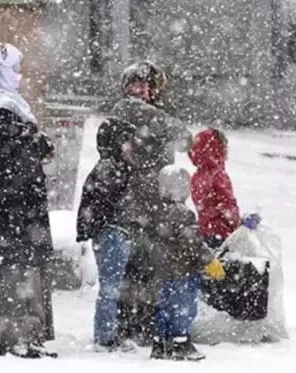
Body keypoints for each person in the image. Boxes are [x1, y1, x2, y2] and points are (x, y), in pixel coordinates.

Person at [0, 42, 57, 358]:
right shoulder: (4, 112)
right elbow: (14, 164)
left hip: (0, 216)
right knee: (17, 275)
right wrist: (35, 145)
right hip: (14, 216)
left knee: (1, 275)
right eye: (14, 70)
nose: (19, 76)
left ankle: (6, 334)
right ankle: (18, 335)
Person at [111, 60, 191, 347]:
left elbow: (182, 139)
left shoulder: (147, 114)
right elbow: (181, 133)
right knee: (136, 265)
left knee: (147, 266)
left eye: (147, 84)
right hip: (135, 204)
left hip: (151, 204)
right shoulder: (128, 109)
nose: (143, 89)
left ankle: (141, 324)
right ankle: (131, 326)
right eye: (137, 83)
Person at [148, 165, 225, 361]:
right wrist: (209, 260)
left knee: (163, 307)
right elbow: (192, 243)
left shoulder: (156, 211)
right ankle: (180, 343)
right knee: (183, 308)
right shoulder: (183, 213)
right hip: (182, 270)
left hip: (162, 271)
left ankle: (160, 343)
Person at [76, 117, 137, 351]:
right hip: (111, 233)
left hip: (114, 231)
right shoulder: (110, 169)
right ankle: (105, 336)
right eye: (127, 142)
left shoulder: (116, 167)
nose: (131, 147)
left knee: (115, 286)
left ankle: (113, 331)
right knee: (110, 287)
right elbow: (106, 204)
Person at [188, 128, 259, 249]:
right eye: (224, 147)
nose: (227, 151)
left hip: (206, 232)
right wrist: (240, 223)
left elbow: (207, 207)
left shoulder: (197, 176)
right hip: (222, 234)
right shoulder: (218, 176)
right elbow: (227, 205)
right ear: (216, 150)